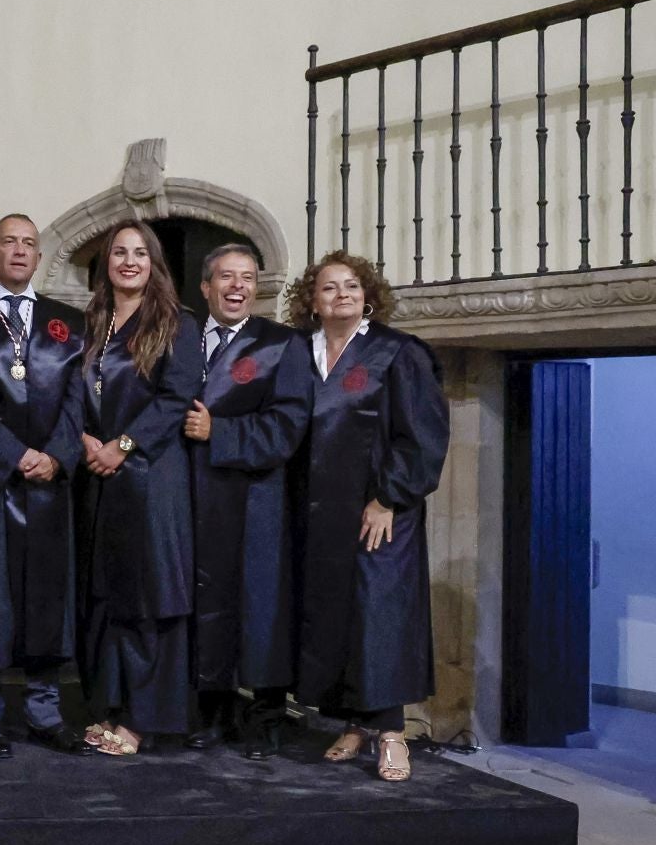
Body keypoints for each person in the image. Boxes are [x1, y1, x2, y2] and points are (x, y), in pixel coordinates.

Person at [287, 251, 449, 783]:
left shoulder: (396, 353)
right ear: (312, 300)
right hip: (317, 514)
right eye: (329, 288)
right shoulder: (297, 353)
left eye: (352, 286)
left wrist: (388, 499)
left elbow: (422, 436)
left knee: (379, 619)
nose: (342, 295)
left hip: (378, 511)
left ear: (369, 295)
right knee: (334, 620)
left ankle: (392, 734)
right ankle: (352, 722)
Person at [0, 214, 90, 753]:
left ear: (39, 258)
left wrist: (57, 456)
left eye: (28, 244)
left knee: (46, 598)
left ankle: (43, 709)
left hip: (49, 487)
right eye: (8, 242)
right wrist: (12, 454)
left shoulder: (67, 322)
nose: (18, 251)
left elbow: (78, 399)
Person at [182, 244, 313, 758]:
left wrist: (220, 431)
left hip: (258, 500)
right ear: (206, 287)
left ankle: (265, 719)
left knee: (262, 610)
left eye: (248, 278)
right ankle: (212, 715)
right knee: (206, 605)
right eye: (226, 277)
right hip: (197, 496)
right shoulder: (183, 341)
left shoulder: (282, 345)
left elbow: (288, 426)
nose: (237, 287)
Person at [76, 220, 202, 756]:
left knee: (150, 602)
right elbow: (76, 389)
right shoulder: (94, 320)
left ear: (155, 263)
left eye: (140, 253)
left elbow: (176, 400)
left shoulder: (176, 322)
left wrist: (121, 446)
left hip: (151, 477)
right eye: (119, 253)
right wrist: (83, 438)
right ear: (106, 262)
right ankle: (112, 708)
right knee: (109, 599)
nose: (129, 261)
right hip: (100, 477)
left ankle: (141, 720)